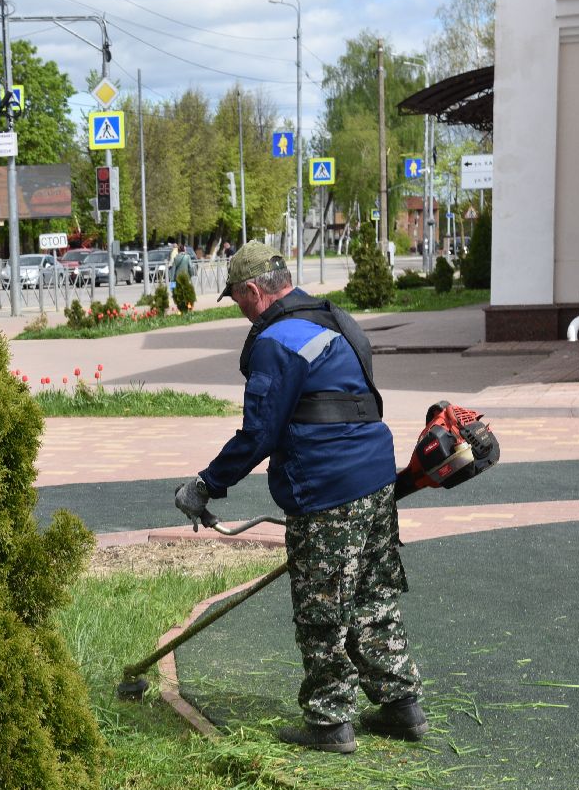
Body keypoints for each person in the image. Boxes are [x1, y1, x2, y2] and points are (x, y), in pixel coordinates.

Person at [172, 241, 425, 754]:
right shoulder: (335, 320)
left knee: (323, 609)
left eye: (237, 300)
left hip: (326, 488)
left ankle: (330, 723)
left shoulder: (277, 341)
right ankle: (402, 706)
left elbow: (258, 433)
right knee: (373, 597)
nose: (241, 312)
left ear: (252, 291)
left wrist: (206, 485)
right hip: (376, 477)